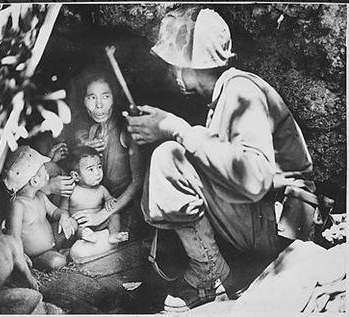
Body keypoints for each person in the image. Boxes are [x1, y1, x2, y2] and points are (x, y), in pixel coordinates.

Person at [125, 6, 315, 311]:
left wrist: (175, 129)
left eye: (175, 63)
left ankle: (210, 275)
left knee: (170, 156)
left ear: (192, 64)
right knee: (179, 151)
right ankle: (219, 271)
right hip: (266, 219)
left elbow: (254, 179)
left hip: (280, 227)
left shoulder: (241, 91)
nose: (171, 72)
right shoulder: (226, 93)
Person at [67, 66, 144, 242]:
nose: (99, 105)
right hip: (99, 205)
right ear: (83, 101)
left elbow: (137, 182)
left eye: (106, 96)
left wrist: (101, 215)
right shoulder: (93, 130)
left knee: (80, 253)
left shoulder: (127, 130)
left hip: (123, 209)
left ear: (115, 99)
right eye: (91, 97)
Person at [3, 145, 77, 272]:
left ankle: (60, 251)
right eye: (43, 170)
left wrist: (63, 217)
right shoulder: (18, 206)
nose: (47, 173)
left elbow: (55, 212)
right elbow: (13, 236)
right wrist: (21, 256)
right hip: (37, 254)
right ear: (35, 181)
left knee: (72, 224)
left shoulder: (40, 196)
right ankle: (57, 256)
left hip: (52, 239)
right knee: (57, 262)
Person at [62, 146, 129, 263]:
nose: (98, 173)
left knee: (114, 214)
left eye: (99, 167)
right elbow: (63, 209)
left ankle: (113, 235)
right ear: (76, 176)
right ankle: (87, 236)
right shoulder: (71, 191)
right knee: (75, 225)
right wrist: (67, 220)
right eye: (91, 169)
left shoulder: (101, 189)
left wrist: (109, 200)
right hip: (81, 225)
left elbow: (110, 199)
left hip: (100, 223)